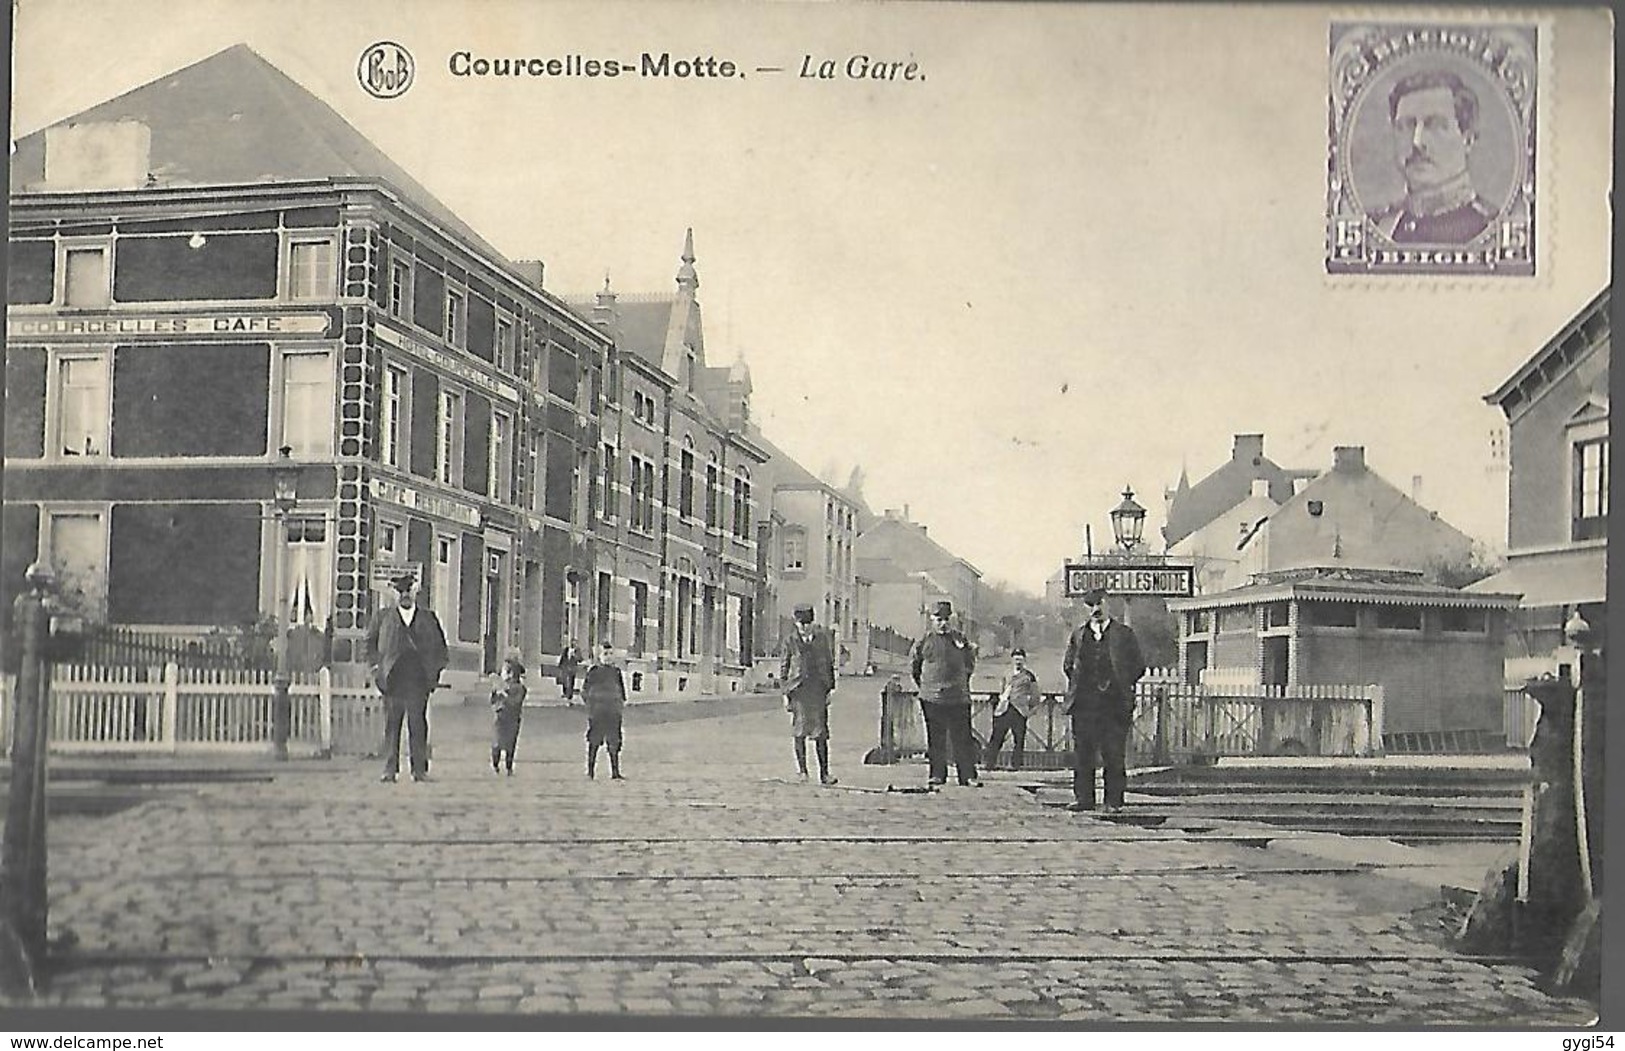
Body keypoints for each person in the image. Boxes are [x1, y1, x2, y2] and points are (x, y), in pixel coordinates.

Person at [1371, 69, 1496, 244]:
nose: (1416, 141)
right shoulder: (1380, 228)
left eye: (1435, 125)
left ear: (1467, 139)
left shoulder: (1492, 228)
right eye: (1406, 126)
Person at [1061, 588, 1145, 812]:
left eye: (1099, 604)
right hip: (1085, 704)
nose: (1096, 609)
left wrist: (1120, 683)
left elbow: (1138, 666)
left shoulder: (1124, 634)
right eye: (1090, 606)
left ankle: (1113, 801)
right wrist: (1083, 686)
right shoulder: (1079, 635)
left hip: (1114, 704)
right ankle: (1084, 799)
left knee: (1114, 752)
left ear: (1108, 605)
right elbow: (1068, 665)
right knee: (1083, 754)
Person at [365, 572, 449, 784]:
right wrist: (376, 669)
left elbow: (441, 650)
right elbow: (369, 645)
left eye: (408, 591)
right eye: (400, 591)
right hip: (393, 681)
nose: (405, 595)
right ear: (394, 594)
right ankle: (389, 770)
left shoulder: (428, 618)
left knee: (417, 725)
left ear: (415, 592)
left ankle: (419, 770)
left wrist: (434, 674)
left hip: (418, 681)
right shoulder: (383, 618)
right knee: (392, 726)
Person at [909, 600, 980, 788]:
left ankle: (967, 776)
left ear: (952, 620)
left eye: (946, 619)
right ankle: (937, 774)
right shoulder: (924, 641)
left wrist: (960, 683)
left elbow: (970, 664)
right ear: (932, 620)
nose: (943, 623)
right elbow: (915, 668)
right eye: (939, 619)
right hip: (932, 697)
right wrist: (927, 687)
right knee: (935, 737)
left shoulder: (961, 640)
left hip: (958, 697)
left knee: (963, 738)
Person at [780, 603, 838, 785]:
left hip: (818, 689)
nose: (804, 628)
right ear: (796, 623)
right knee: (800, 731)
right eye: (801, 624)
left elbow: (828, 663)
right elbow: (784, 666)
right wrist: (785, 692)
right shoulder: (790, 640)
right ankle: (803, 771)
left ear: (812, 623)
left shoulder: (822, 639)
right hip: (799, 690)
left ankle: (825, 773)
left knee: (820, 733)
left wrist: (830, 689)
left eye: (807, 624)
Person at [985, 648, 1039, 771]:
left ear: (1024, 660)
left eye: (1020, 658)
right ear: (1012, 659)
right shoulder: (1007, 674)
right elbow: (1002, 689)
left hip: (1019, 710)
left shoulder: (1029, 676)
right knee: (997, 736)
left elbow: (1035, 695)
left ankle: (1015, 764)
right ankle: (990, 763)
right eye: (1016, 658)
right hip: (1004, 708)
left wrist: (1030, 710)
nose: (1018, 660)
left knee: (1018, 739)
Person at [580, 640, 626, 780]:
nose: (608, 657)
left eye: (611, 654)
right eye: (605, 654)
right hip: (598, 712)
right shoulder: (594, 671)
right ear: (599, 656)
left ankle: (615, 771)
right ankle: (590, 770)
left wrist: (619, 704)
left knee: (614, 741)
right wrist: (592, 706)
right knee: (594, 740)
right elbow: (585, 691)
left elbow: (622, 692)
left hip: (613, 712)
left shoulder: (616, 672)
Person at [489, 657, 527, 776]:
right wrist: (495, 694)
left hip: (512, 719)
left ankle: (509, 767)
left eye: (505, 670)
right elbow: (493, 701)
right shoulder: (502, 684)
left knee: (510, 744)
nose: (503, 673)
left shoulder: (520, 688)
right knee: (497, 742)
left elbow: (515, 703)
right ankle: (495, 764)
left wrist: (504, 694)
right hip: (500, 717)